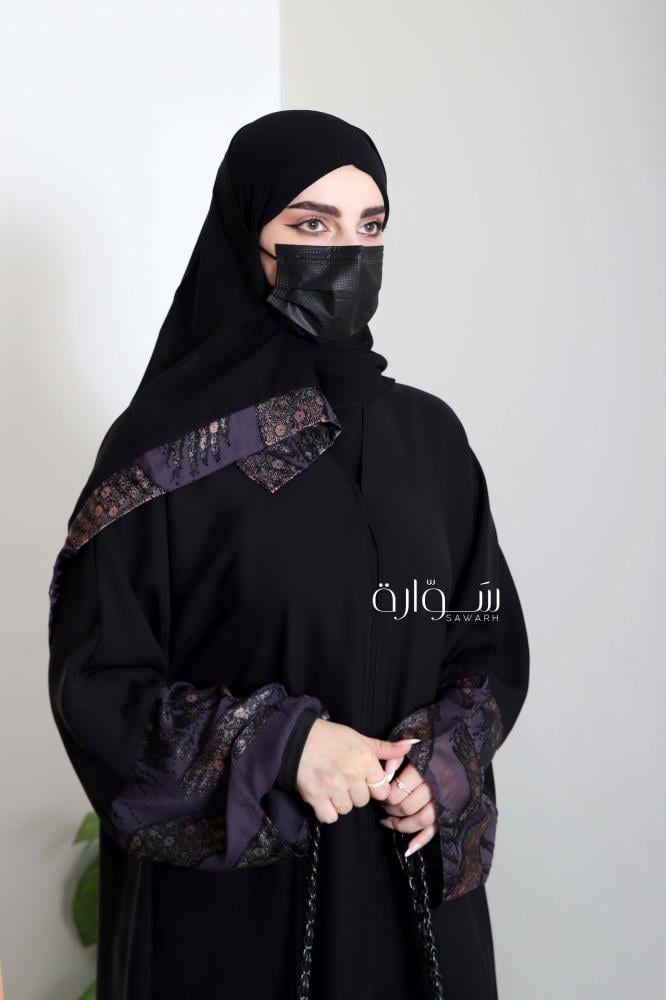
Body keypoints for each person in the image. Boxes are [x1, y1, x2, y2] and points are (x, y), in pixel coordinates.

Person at [48, 109, 530, 1000]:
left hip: (409, 897)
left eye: (370, 227)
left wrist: (442, 763)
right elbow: (98, 687)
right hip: (235, 920)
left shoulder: (430, 438)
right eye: (312, 224)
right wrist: (283, 745)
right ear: (247, 238)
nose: (347, 253)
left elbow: (485, 648)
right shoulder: (165, 453)